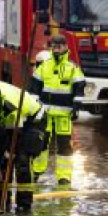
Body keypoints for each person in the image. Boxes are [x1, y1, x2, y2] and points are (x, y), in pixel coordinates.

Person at [0, 81, 47, 213]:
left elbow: (14, 141)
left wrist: (2, 166)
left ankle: (24, 205)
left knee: (21, 160)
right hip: (10, 121)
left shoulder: (11, 107)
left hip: (33, 120)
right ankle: (1, 201)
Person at [29, 34, 85, 186]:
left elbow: (79, 89)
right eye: (54, 46)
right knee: (41, 144)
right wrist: (34, 108)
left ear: (66, 47)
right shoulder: (44, 66)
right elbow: (34, 88)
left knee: (64, 146)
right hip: (45, 114)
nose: (57, 49)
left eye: (59, 46)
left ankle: (64, 177)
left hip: (64, 115)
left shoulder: (73, 68)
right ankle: (36, 172)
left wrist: (76, 108)